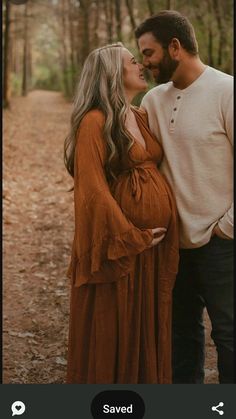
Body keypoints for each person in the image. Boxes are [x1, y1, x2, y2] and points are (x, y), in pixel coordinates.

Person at [64, 42, 179, 384]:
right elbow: (92, 191)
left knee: (145, 322)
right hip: (121, 245)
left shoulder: (140, 114)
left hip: (152, 248)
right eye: (133, 61)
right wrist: (132, 236)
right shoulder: (93, 122)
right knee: (117, 324)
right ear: (113, 73)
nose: (140, 65)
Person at [135, 10, 234, 384]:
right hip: (172, 243)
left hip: (221, 243)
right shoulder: (153, 101)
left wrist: (226, 228)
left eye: (148, 53)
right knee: (181, 335)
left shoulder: (227, 91)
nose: (144, 63)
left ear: (175, 47)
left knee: (228, 335)